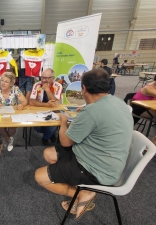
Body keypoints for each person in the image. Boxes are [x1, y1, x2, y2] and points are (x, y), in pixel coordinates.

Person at [34, 68, 133, 220]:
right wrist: (87, 109)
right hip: (109, 161)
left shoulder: (91, 112)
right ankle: (81, 187)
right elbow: (101, 115)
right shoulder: (118, 101)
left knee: (39, 176)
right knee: (48, 153)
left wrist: (63, 122)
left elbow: (65, 142)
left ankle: (80, 193)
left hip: (96, 169)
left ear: (84, 88)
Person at [0, 72, 28, 151]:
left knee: (11, 131)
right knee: (1, 128)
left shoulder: (15, 89)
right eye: (2, 80)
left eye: (6, 81)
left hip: (12, 114)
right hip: (1, 114)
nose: (3, 83)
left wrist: (22, 105)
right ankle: (9, 140)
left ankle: (5, 138)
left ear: (11, 83)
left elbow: (25, 101)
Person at [29, 68, 62, 145]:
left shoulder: (58, 86)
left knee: (52, 126)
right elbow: (31, 101)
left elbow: (55, 102)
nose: (43, 80)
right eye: (42, 77)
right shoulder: (37, 85)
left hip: (53, 111)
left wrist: (47, 90)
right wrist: (46, 105)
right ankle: (50, 133)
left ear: (53, 78)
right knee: (36, 126)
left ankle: (45, 138)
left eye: (46, 78)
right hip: (38, 110)